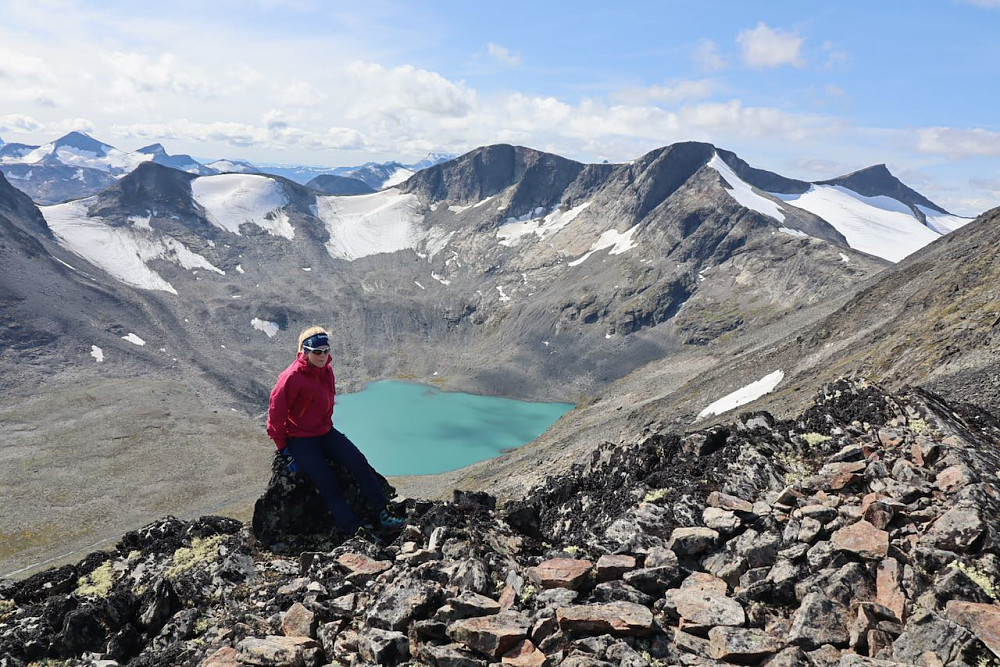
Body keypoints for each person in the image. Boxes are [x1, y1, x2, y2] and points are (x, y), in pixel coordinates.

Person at [266, 326, 403, 536]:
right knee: (327, 482)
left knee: (358, 462)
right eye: (316, 351)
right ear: (304, 351)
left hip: (325, 432)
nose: (322, 356)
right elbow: (275, 415)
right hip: (301, 439)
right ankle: (354, 530)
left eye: (326, 350)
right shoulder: (291, 377)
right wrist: (284, 449)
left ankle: (383, 511)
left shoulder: (327, 371)